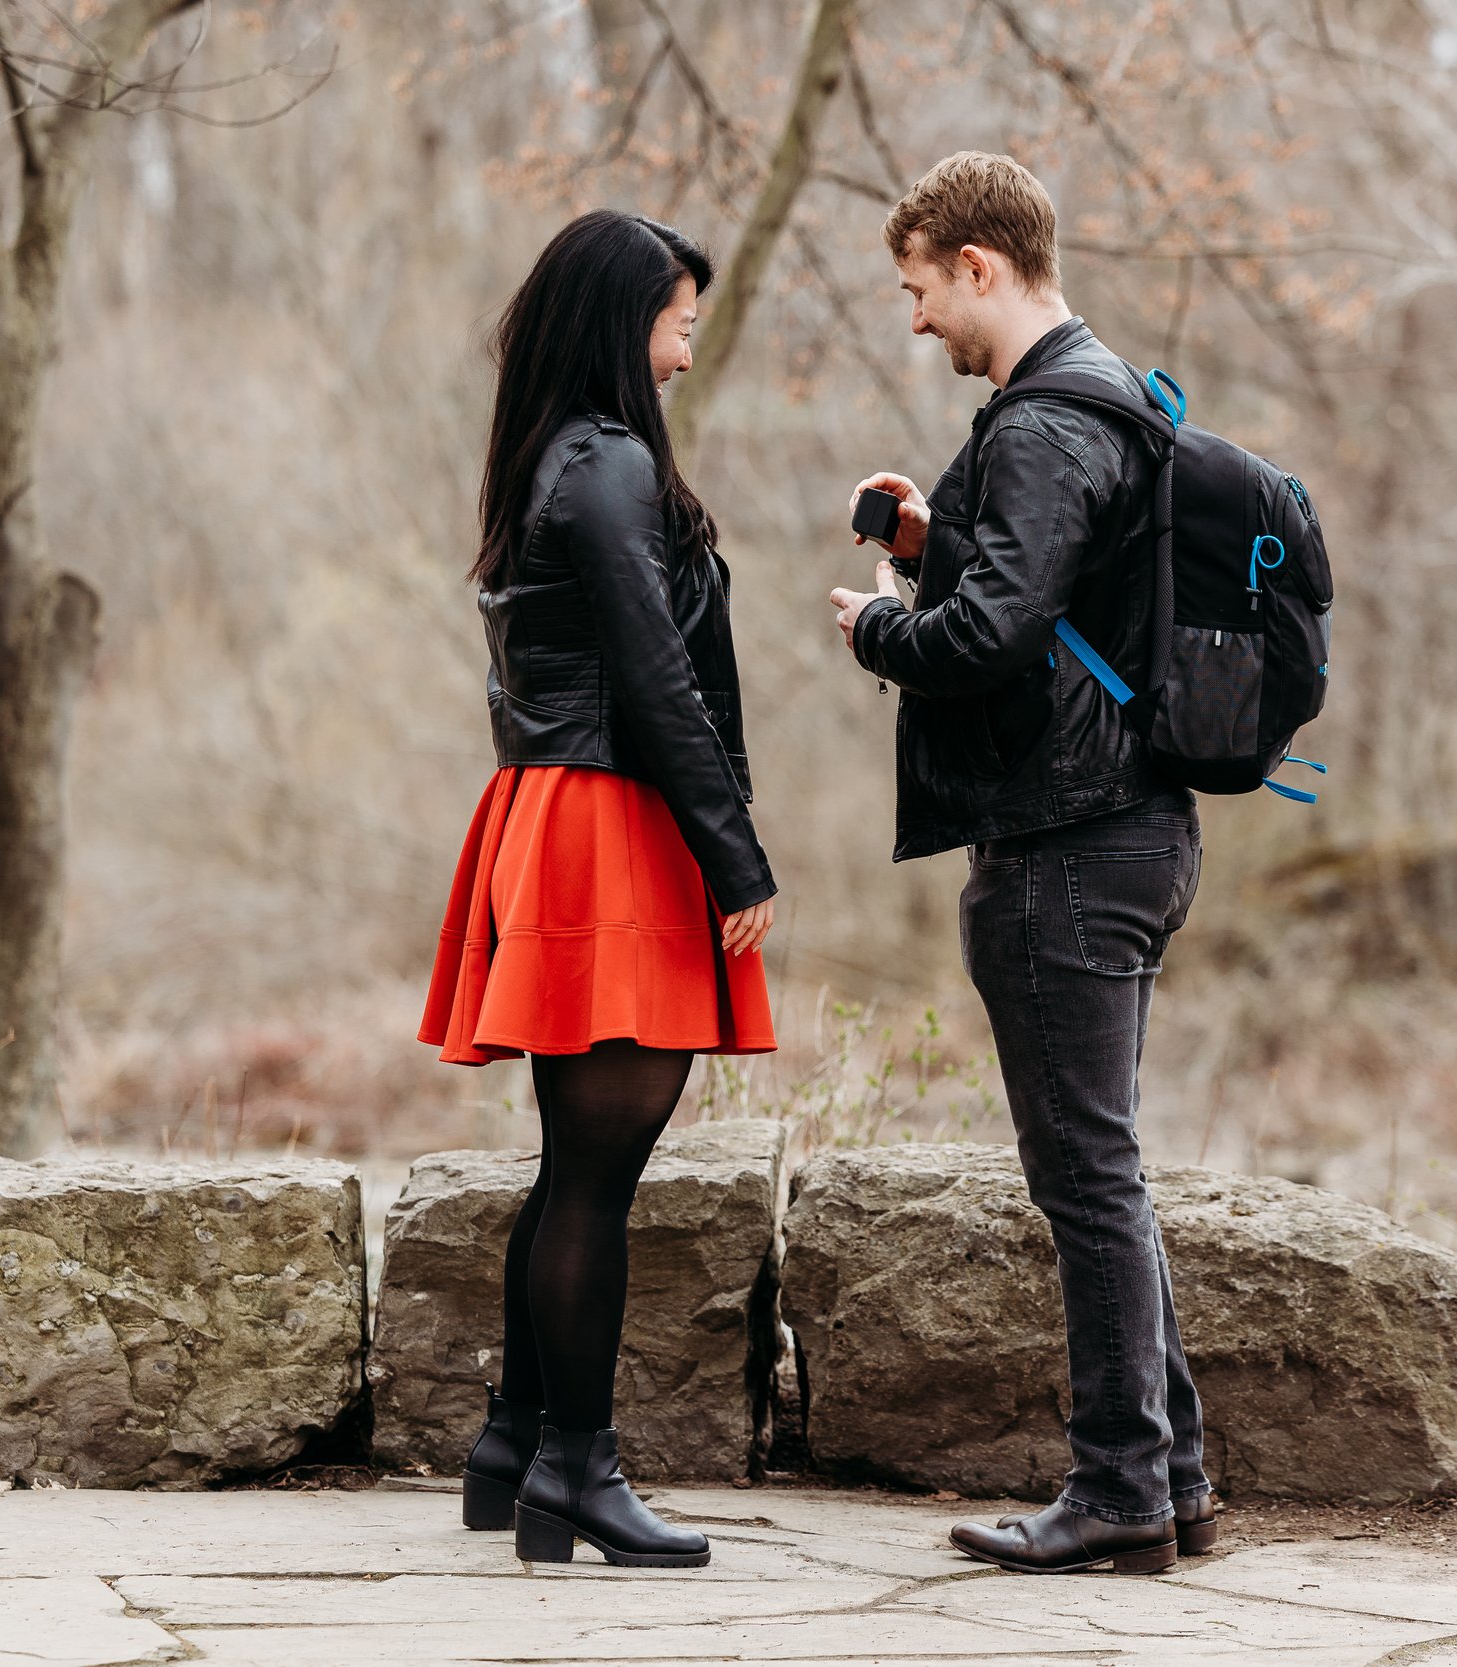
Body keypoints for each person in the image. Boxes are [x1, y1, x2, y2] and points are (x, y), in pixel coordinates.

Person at [825, 152, 1216, 1576]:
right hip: (1127, 828)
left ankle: (1119, 1489)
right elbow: (1051, 610)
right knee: (1103, 1167)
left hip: (1069, 844)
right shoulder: (1103, 402)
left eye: (921, 288)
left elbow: (987, 645)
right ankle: (1169, 1483)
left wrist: (877, 626)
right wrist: (937, 544)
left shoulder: (1048, 423)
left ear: (980, 265)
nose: (917, 318)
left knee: (1086, 1180)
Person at [421, 209, 777, 1570]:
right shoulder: (609, 467)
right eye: (680, 320)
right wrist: (735, 855)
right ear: (623, 323)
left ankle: (516, 1441)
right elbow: (655, 678)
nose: (688, 348)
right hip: (609, 822)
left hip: (554, 810)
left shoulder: (548, 459)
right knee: (598, 1174)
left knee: (576, 1163)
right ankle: (577, 1469)